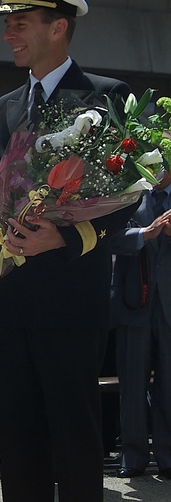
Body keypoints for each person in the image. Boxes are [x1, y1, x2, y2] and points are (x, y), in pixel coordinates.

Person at [0, 0, 137, 502]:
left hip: (69, 298)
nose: (9, 34)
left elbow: (125, 198)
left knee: (74, 435)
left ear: (58, 27)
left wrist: (65, 237)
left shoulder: (103, 96)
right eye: (8, 23)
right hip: (8, 301)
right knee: (17, 436)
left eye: (21, 22)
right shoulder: (5, 107)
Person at [110, 167, 171, 479]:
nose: (159, 170)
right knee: (132, 384)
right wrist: (146, 233)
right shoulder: (130, 196)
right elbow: (109, 238)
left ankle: (168, 456)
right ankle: (132, 456)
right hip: (135, 301)